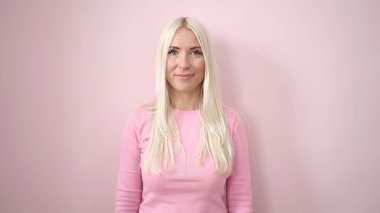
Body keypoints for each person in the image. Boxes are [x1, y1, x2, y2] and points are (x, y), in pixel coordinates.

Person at [115, 16, 253, 213]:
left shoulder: (230, 123)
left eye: (195, 52)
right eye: (173, 52)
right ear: (162, 59)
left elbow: (241, 204)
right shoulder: (139, 121)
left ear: (207, 61)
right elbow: (126, 202)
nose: (183, 63)